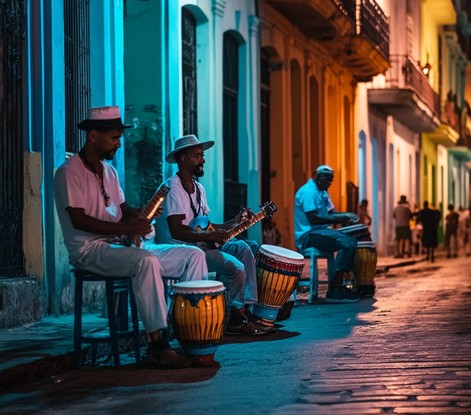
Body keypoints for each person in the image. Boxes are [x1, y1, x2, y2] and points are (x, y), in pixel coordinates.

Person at [54, 106, 210, 369]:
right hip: (90, 250)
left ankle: (186, 331)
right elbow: (78, 220)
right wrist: (126, 229)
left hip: (123, 245)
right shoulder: (69, 172)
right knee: (145, 261)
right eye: (114, 138)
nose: (118, 143)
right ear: (93, 136)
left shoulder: (110, 173)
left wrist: (143, 216)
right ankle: (156, 344)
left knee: (192, 255)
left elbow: (124, 213)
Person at [154, 134, 271, 336]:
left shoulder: (198, 188)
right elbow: (177, 230)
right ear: (182, 158)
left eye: (202, 155)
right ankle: (234, 318)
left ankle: (243, 309)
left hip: (202, 245)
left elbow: (207, 227)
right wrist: (210, 237)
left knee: (243, 248)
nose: (203, 160)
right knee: (235, 267)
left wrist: (235, 222)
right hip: (184, 251)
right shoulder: (173, 187)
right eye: (197, 156)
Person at [294, 165, 360, 303]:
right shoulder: (308, 192)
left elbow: (331, 214)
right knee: (347, 244)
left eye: (331, 180)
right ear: (319, 178)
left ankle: (339, 283)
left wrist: (346, 215)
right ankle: (335, 289)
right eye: (328, 180)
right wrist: (339, 218)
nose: (330, 183)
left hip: (321, 232)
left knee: (350, 241)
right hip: (309, 235)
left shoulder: (322, 192)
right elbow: (314, 218)